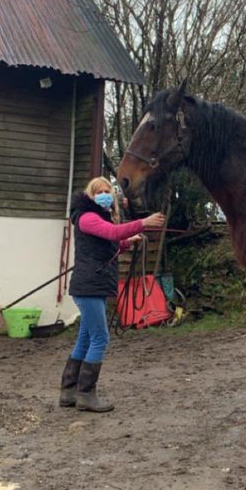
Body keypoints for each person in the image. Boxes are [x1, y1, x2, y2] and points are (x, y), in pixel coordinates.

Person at [59, 177, 165, 413]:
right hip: (90, 285)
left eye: (108, 191)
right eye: (100, 191)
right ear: (90, 195)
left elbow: (107, 241)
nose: (105, 194)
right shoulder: (87, 217)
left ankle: (69, 392)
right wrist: (143, 223)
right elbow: (111, 232)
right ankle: (86, 394)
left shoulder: (95, 218)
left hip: (93, 284)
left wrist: (127, 241)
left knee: (86, 338)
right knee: (101, 338)